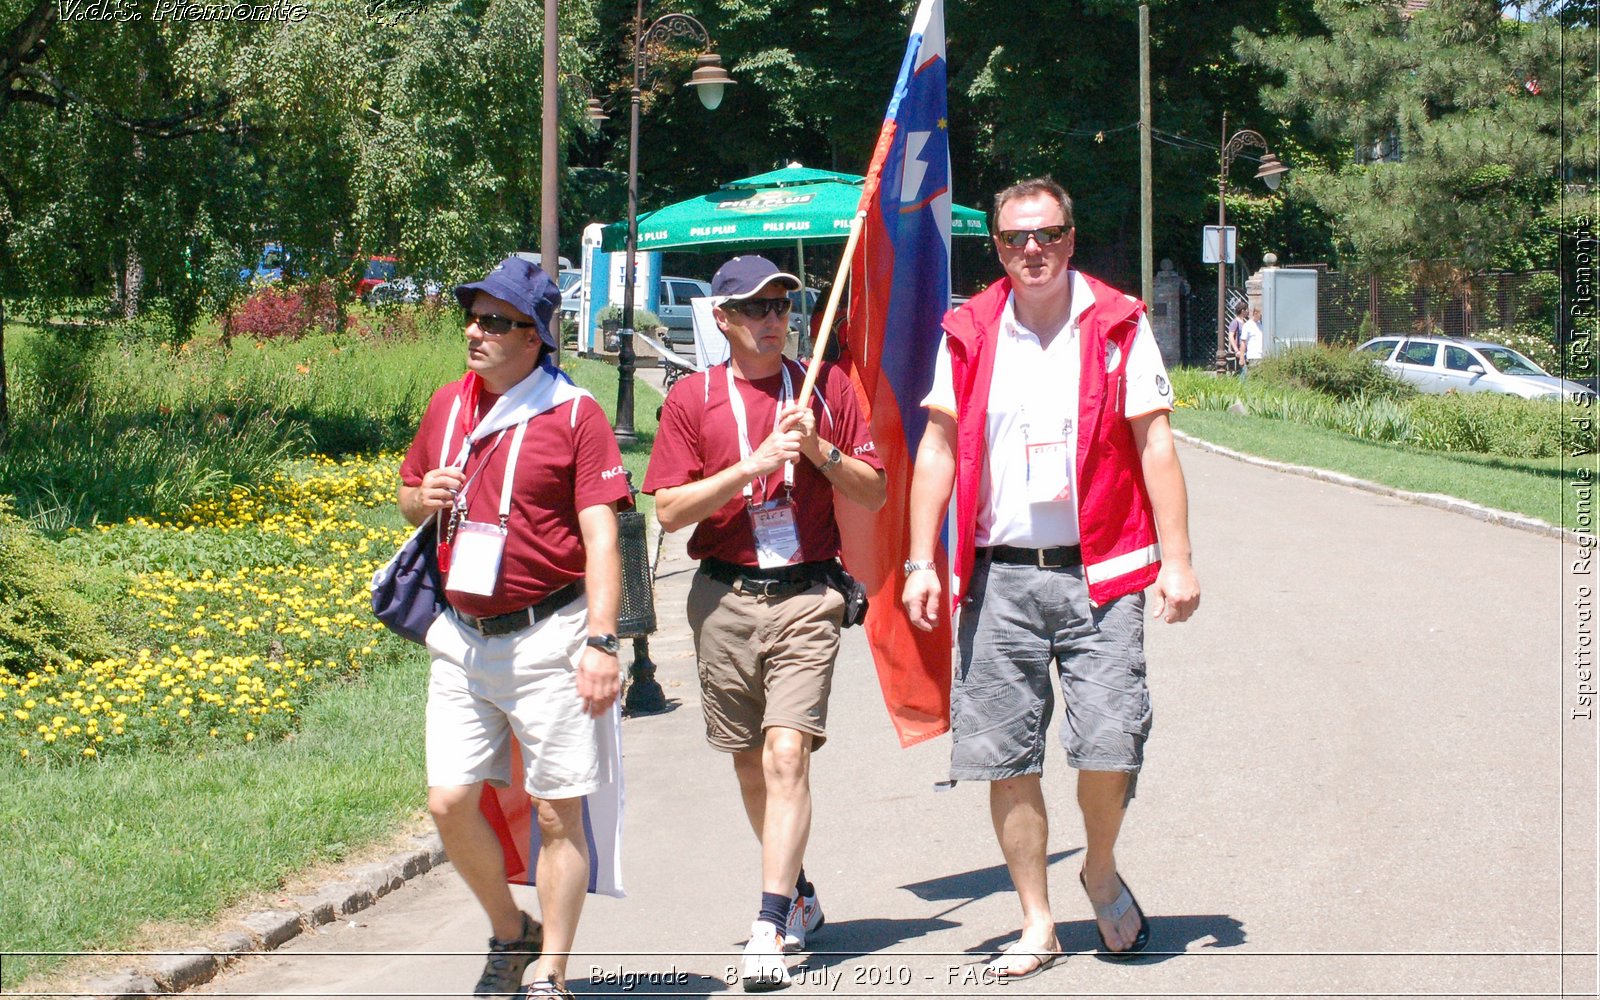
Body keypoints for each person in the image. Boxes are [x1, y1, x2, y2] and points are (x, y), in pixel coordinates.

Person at [901, 177, 1201, 980]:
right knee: (1006, 757)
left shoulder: (1116, 325)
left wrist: (1177, 560)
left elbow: (1155, 447)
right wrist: (920, 559)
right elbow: (936, 448)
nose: (1031, 250)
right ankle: (1037, 921)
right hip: (999, 580)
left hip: (1099, 575)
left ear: (1070, 238)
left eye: (1047, 234)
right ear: (997, 248)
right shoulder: (967, 331)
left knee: (1110, 742)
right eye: (1013, 239)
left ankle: (1097, 869)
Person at [643, 255, 886, 992]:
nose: (771, 320)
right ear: (721, 319)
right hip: (722, 598)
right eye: (753, 309)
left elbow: (872, 491)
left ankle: (768, 922)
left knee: (787, 756)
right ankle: (800, 890)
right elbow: (669, 511)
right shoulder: (693, 399)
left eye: (782, 305)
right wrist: (752, 468)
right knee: (750, 761)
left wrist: (816, 448)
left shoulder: (825, 386)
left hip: (808, 595)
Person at [398, 255, 632, 999]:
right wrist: (420, 498)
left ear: (535, 337)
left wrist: (601, 639)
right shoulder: (448, 405)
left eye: (496, 321)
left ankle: (550, 974)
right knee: (447, 801)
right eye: (471, 316)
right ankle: (511, 929)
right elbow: (409, 499)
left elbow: (603, 535)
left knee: (559, 814)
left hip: (549, 636)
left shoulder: (574, 414)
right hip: (462, 635)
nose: (476, 331)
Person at [1240, 305, 1264, 378]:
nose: (1261, 316)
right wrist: (1241, 358)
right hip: (1253, 357)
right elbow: (1243, 343)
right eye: (1260, 314)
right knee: (1253, 379)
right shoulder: (1247, 325)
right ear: (1255, 313)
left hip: (1263, 357)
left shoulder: (1262, 325)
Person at [1226, 300, 1249, 373]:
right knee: (1242, 371)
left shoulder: (1244, 322)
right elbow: (1230, 336)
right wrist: (1236, 350)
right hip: (1239, 351)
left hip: (1244, 350)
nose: (1248, 311)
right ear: (1242, 311)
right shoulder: (1235, 322)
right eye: (1246, 310)